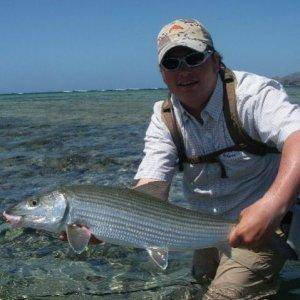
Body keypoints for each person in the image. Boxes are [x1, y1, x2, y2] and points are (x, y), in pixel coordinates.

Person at [134, 18, 300, 299]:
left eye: (193, 58)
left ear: (215, 59)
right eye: (172, 64)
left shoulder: (252, 95)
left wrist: (272, 206)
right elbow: (152, 186)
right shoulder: (163, 117)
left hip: (268, 223)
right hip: (204, 231)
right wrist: (103, 221)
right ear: (162, 73)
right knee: (195, 292)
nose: (184, 71)